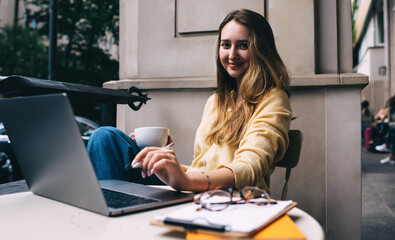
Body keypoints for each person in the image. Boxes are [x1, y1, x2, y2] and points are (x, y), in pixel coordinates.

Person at [87, 9, 292, 192]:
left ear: (260, 49)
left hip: (229, 197)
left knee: (105, 138)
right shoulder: (216, 102)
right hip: (195, 190)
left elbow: (249, 168)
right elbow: (197, 169)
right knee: (105, 138)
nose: (232, 54)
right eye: (225, 45)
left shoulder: (273, 99)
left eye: (243, 45)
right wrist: (161, 159)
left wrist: (184, 180)